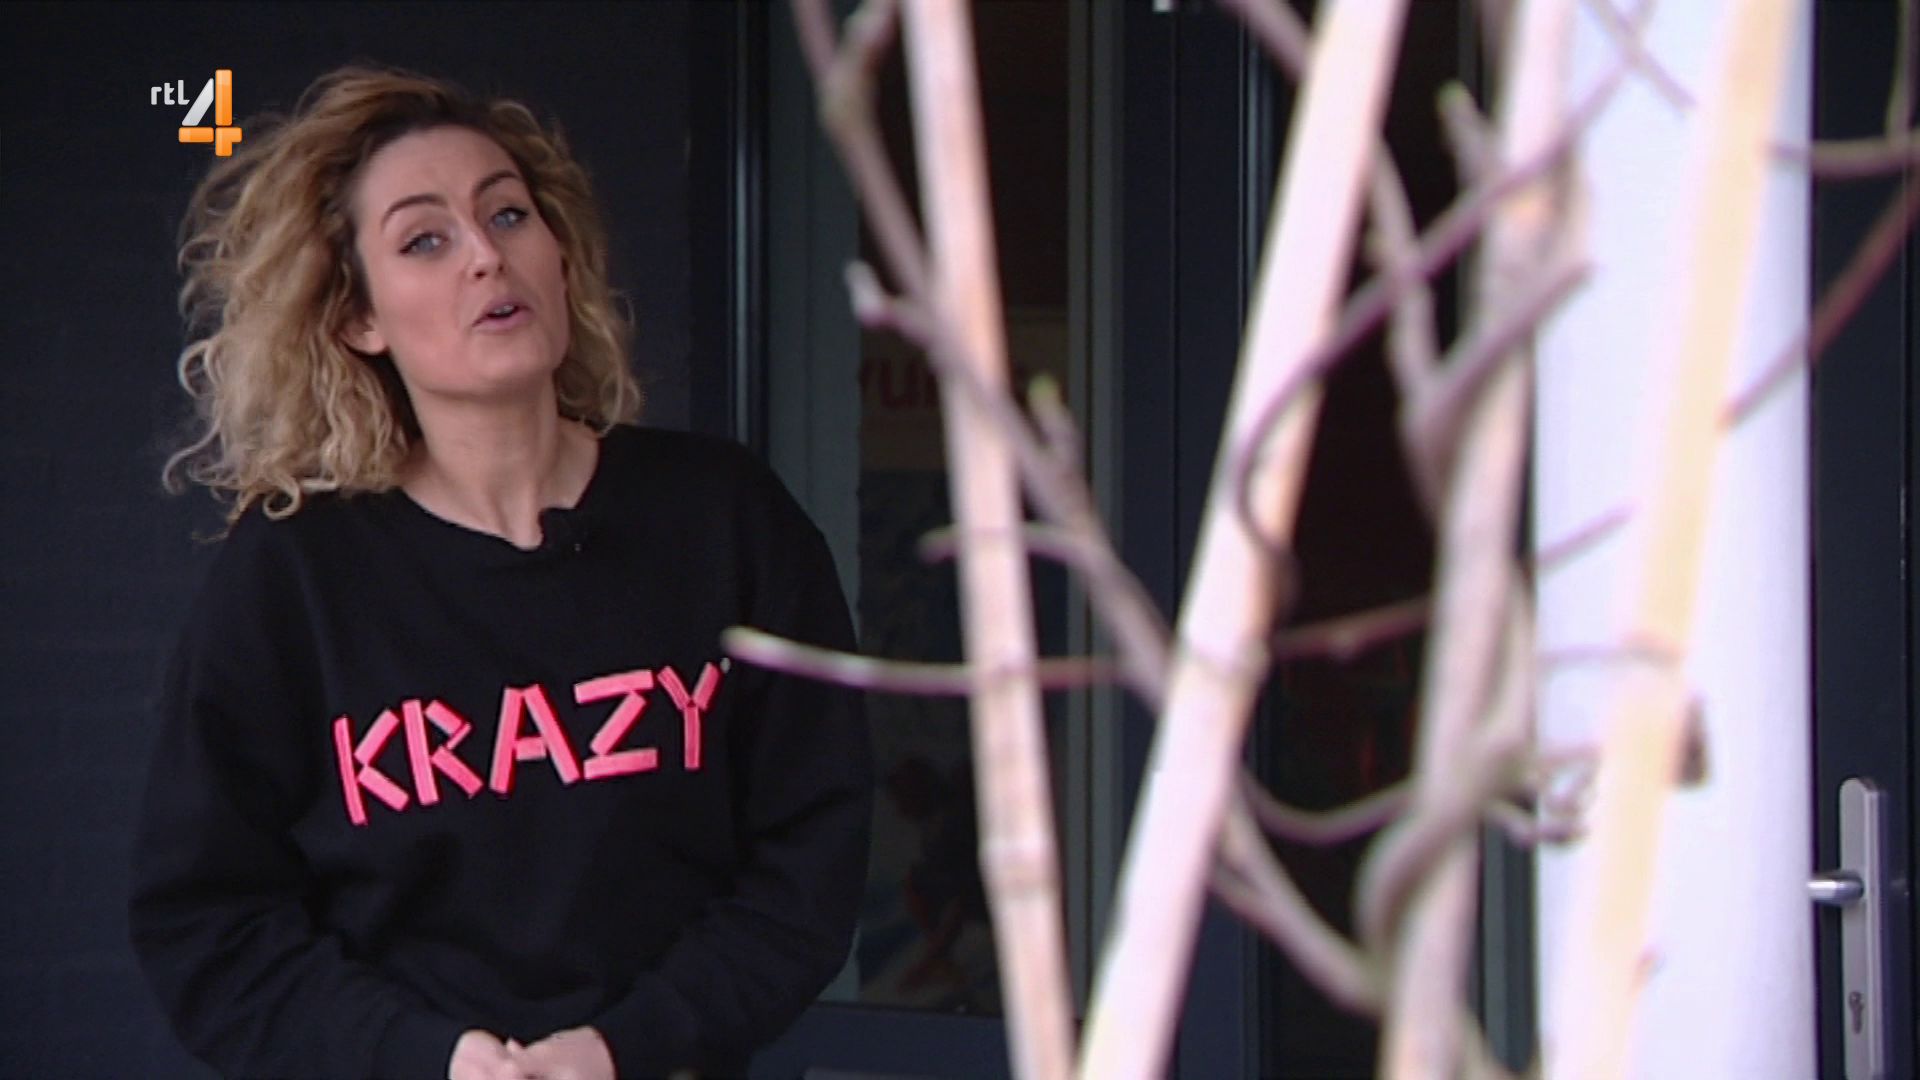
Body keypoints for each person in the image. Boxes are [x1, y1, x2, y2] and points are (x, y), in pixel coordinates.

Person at [128, 65, 873, 1080]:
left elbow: (809, 859)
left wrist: (622, 1049)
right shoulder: (295, 574)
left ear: (559, 255)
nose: (487, 255)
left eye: (508, 214)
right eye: (424, 240)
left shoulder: (727, 520)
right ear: (357, 317)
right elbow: (210, 922)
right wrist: (426, 1059)